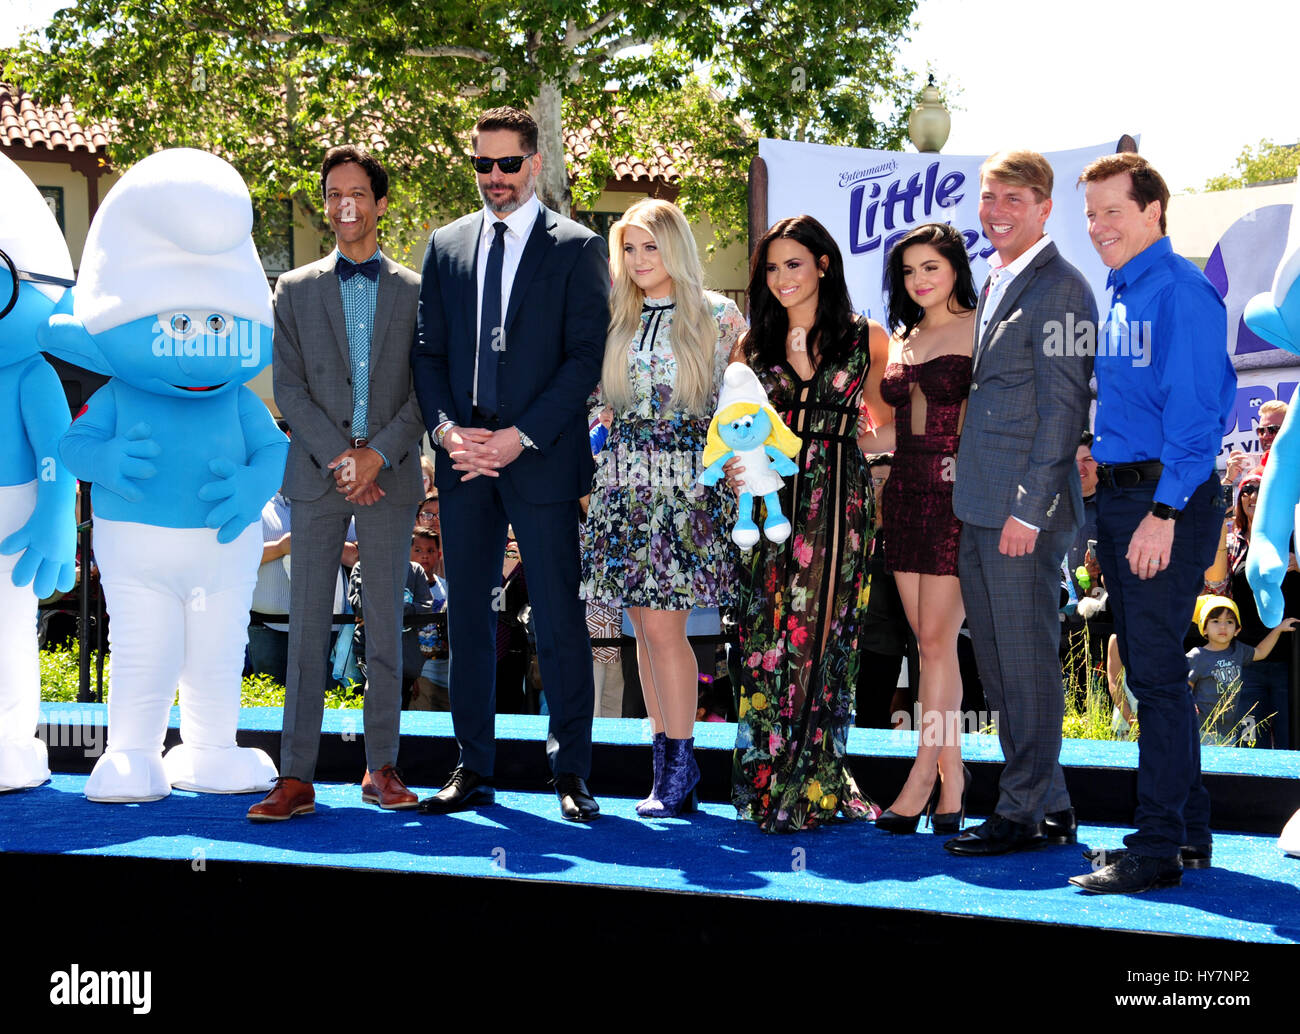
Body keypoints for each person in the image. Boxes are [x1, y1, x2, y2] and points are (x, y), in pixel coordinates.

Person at [410, 106, 610, 821]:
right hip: (463, 461)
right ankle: (472, 766)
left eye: (508, 164)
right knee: (466, 618)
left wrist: (518, 436)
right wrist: (447, 432)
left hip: (541, 461)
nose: (494, 178)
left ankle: (572, 772)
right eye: (482, 164)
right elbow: (428, 355)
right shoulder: (446, 244)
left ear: (535, 164)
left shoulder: (579, 248)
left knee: (557, 618)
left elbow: (583, 360)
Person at [1069, 152, 1236, 894]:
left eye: (1113, 211)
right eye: (1092, 213)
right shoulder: (1125, 291)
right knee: (1152, 670)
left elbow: (1198, 422)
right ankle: (1191, 833)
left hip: (1167, 501)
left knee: (1159, 679)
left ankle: (1157, 847)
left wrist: (1163, 513)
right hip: (1128, 498)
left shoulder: (1179, 292)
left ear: (1152, 212)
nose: (1100, 225)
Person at [248, 144, 426, 821]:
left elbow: (424, 390)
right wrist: (342, 459)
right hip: (320, 479)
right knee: (304, 630)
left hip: (392, 475)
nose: (344, 203)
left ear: (379, 203)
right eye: (332, 193)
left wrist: (377, 455)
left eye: (357, 192)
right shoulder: (291, 290)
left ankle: (381, 768)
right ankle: (295, 777)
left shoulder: (417, 290)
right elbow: (288, 390)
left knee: (385, 626)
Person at [945, 150, 1096, 857]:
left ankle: (1022, 811)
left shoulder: (1062, 289)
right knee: (1003, 665)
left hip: (1020, 514)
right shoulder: (1001, 279)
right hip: (980, 505)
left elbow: (1063, 412)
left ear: (1044, 207)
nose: (997, 211)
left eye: (1014, 199)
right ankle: (1053, 803)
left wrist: (1029, 511)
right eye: (988, 197)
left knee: (1024, 660)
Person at [580, 198, 745, 817]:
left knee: (664, 628)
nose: (639, 259)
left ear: (674, 246)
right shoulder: (613, 318)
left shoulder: (719, 317)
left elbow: (741, 403)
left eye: (650, 245)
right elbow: (598, 399)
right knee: (642, 631)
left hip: (688, 489)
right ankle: (668, 768)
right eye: (628, 247)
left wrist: (732, 459)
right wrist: (600, 435)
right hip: (623, 487)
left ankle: (680, 764)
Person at [728, 215, 891, 833]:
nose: (781, 278)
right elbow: (733, 430)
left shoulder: (864, 336)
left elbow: (887, 421)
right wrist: (736, 474)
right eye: (771, 267)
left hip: (839, 498)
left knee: (822, 635)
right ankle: (770, 778)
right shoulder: (753, 346)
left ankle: (813, 778)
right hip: (770, 504)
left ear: (824, 264)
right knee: (769, 637)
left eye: (793, 264)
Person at [872, 222, 977, 835]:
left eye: (930, 268)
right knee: (930, 646)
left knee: (937, 643)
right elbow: (896, 431)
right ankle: (954, 779)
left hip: (955, 498)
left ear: (956, 268)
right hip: (904, 494)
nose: (919, 280)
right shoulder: (907, 337)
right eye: (909, 271)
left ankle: (921, 779)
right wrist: (824, 446)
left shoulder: (980, 329)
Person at [1224, 471, 1296, 748]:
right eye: (1247, 489)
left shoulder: (1294, 538)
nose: (1253, 496)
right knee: (1250, 742)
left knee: (1292, 740)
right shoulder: (1231, 543)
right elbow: (1216, 590)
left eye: (1261, 489)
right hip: (1247, 658)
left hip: (1291, 657)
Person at [1186, 595, 1296, 744]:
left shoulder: (1238, 651)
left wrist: (1278, 629)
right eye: (1215, 621)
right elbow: (1183, 686)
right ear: (1204, 628)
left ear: (1237, 630)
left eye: (1229, 622)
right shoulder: (1197, 656)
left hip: (1231, 732)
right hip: (1203, 730)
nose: (1223, 627)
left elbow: (1261, 652)